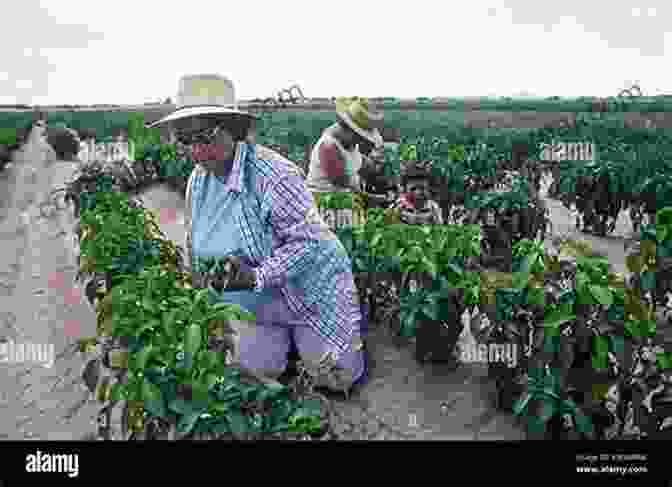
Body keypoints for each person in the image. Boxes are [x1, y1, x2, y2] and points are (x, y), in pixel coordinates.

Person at [149, 74, 367, 394]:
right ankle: (288, 346)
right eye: (185, 140)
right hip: (256, 303)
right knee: (250, 375)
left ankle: (321, 336)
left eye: (205, 136)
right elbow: (194, 244)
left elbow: (308, 244)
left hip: (311, 293)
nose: (196, 150)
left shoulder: (273, 175)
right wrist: (196, 289)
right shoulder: (199, 180)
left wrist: (255, 275)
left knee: (336, 378)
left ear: (233, 131)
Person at [306, 97, 383, 194]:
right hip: (326, 201)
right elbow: (342, 182)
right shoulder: (328, 146)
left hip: (347, 198)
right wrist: (372, 197)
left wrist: (372, 164)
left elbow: (352, 159)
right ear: (348, 129)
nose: (360, 141)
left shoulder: (349, 142)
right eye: (358, 137)